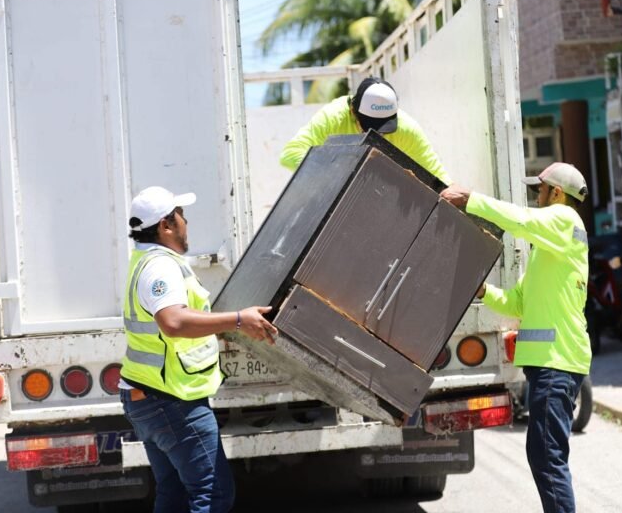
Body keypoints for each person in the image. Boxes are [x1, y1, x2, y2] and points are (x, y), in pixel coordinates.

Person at [441, 163, 592, 513]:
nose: (535, 197)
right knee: (544, 455)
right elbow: (518, 303)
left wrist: (471, 200)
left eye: (539, 190)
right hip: (548, 364)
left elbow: (521, 220)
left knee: (546, 458)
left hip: (557, 362)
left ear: (556, 192)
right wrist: (483, 290)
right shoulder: (548, 249)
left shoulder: (564, 221)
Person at [119, 186, 279, 513]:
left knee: (175, 494)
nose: (186, 222)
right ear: (166, 225)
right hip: (172, 400)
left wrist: (217, 327)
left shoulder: (147, 260)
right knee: (212, 494)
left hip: (152, 396)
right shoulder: (161, 266)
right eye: (181, 216)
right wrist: (236, 320)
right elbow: (173, 322)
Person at [279, 76, 452, 184]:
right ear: (353, 111)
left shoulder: (406, 129)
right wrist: (339, 171)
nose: (377, 135)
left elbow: (439, 179)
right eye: (370, 126)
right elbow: (290, 154)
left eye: (384, 128)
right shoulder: (334, 117)